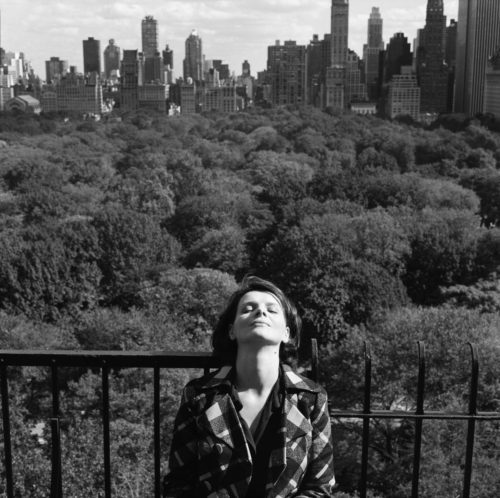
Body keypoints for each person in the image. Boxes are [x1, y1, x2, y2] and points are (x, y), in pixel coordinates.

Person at [163, 276, 335, 497]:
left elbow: (320, 488)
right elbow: (178, 484)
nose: (260, 312)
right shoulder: (199, 396)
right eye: (248, 308)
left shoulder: (311, 399)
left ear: (287, 333)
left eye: (272, 310)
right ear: (232, 330)